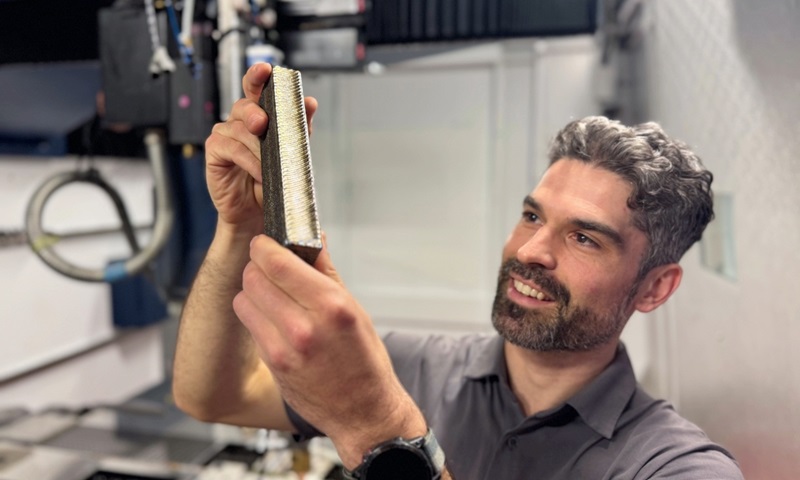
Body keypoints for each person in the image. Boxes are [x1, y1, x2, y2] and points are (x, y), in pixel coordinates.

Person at [172, 62, 744, 479]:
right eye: (531, 216)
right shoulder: (410, 366)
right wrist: (240, 227)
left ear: (655, 287)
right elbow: (214, 397)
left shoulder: (672, 465)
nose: (531, 250)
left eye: (584, 238)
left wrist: (380, 430)